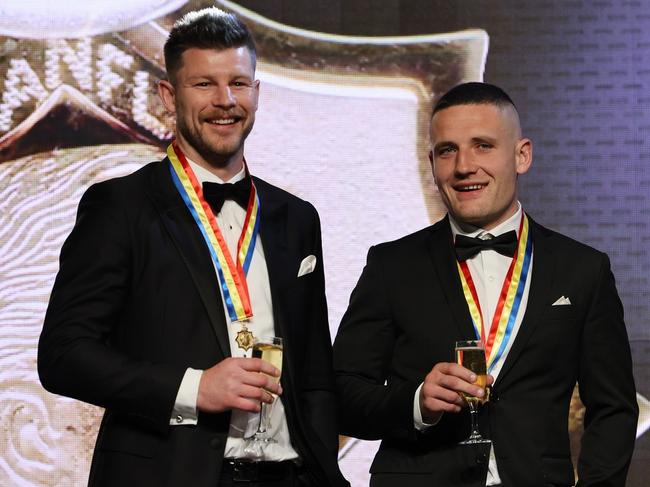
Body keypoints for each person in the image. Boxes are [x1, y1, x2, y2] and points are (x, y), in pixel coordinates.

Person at [38, 7, 347, 487]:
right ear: (168, 95)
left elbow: (316, 375)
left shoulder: (297, 217)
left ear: (257, 93)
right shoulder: (120, 206)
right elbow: (64, 355)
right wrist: (194, 387)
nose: (225, 101)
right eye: (204, 84)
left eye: (239, 84)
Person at [333, 82, 638, 486]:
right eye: (447, 150)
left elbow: (613, 409)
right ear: (432, 162)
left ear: (521, 155)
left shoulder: (583, 270)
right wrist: (416, 403)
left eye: (483, 146)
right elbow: (341, 393)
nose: (463, 166)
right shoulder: (392, 265)